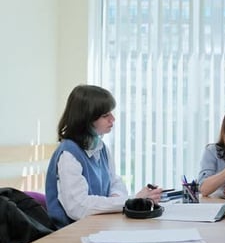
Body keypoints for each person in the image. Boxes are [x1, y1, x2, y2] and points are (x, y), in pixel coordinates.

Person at [45, 85, 162, 229]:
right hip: (70, 232)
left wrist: (115, 200)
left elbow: (115, 182)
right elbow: (78, 207)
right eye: (105, 116)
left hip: (98, 226)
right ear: (86, 119)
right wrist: (131, 200)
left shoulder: (100, 147)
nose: (113, 119)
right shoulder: (68, 154)